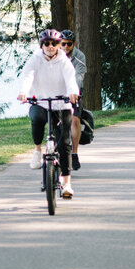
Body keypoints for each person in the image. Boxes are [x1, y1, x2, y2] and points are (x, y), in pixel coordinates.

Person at [18, 29, 80, 198]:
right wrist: (24, 92)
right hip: (41, 101)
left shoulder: (64, 61)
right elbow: (27, 76)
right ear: (42, 45)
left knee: (65, 143)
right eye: (47, 43)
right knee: (37, 118)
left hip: (62, 104)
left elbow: (70, 79)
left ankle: (66, 183)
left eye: (54, 44)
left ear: (59, 45)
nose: (50, 46)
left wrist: (73, 93)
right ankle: (38, 150)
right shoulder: (35, 59)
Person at [61, 30, 86, 171]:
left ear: (73, 44)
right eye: (63, 44)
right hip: (57, 91)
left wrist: (74, 92)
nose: (65, 47)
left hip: (73, 92)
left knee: (75, 120)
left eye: (69, 44)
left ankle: (75, 153)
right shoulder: (54, 55)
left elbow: (79, 76)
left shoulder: (79, 56)